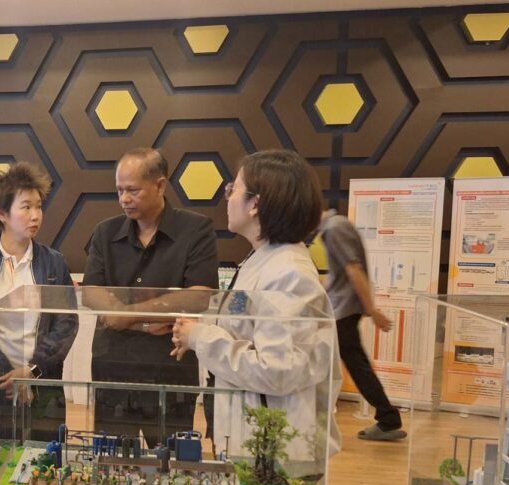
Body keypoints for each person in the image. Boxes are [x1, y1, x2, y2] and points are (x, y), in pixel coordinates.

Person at [171, 149, 341, 465]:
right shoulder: (262, 260)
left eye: (233, 189)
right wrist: (199, 329)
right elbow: (246, 326)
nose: (227, 198)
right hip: (253, 441)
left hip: (275, 453)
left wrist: (200, 338)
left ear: (255, 204)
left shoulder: (288, 273)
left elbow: (276, 371)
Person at [82, 148, 219, 448]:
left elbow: (198, 297)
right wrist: (145, 322)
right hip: (114, 368)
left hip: (169, 368)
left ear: (160, 185)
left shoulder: (196, 229)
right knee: (112, 459)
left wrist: (126, 316)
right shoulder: (105, 232)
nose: (124, 199)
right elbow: (91, 292)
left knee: (173, 459)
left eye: (133, 190)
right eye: (119, 190)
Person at [0, 162, 78, 483]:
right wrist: (6, 375)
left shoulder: (54, 263)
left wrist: (31, 371)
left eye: (38, 206)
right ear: (2, 213)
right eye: (26, 207)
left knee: (43, 469)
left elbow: (66, 324)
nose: (36, 215)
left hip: (41, 385)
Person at [320, 210, 406, 440]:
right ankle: (387, 417)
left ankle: (388, 418)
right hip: (341, 309)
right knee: (354, 363)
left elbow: (353, 269)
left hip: (343, 312)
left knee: (355, 365)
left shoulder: (334, 228)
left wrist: (372, 310)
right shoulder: (334, 226)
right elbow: (341, 273)